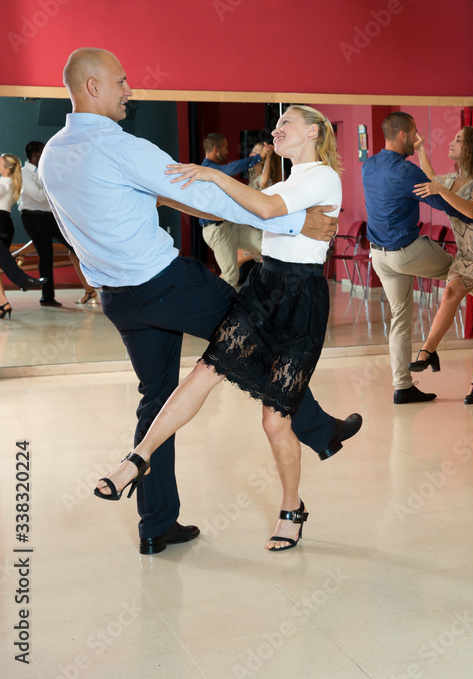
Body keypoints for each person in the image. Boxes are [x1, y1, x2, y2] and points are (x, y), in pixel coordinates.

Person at [40, 47, 355, 555]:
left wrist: (276, 214)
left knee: (159, 396)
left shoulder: (54, 152)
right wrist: (298, 222)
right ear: (93, 87)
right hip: (165, 283)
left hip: (118, 299)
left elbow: (162, 196)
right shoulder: (122, 147)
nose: (130, 90)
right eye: (122, 81)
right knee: (254, 336)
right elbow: (204, 196)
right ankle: (320, 429)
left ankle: (156, 524)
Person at [362, 111, 473, 404]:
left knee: (400, 319)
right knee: (465, 272)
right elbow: (443, 203)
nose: (418, 137)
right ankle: (444, 345)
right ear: (403, 135)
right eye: (415, 133)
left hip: (379, 257)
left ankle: (402, 387)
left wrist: (422, 156)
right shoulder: (406, 172)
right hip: (407, 253)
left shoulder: (368, 165)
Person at [407, 126, 473, 404]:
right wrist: (421, 150)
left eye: (458, 140)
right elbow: (432, 179)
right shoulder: (452, 178)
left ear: (472, 148)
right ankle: (428, 350)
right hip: (468, 254)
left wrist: (441, 189)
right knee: (451, 293)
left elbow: (471, 211)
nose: (451, 142)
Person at [20, 140, 98, 306]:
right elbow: (39, 196)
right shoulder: (23, 173)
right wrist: (56, 180)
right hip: (33, 217)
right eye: (43, 151)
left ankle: (91, 290)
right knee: (46, 256)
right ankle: (47, 298)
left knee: (76, 248)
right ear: (35, 155)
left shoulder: (47, 171)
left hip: (51, 216)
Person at [199, 132, 265, 288]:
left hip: (232, 226)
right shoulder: (208, 170)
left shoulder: (214, 170)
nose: (228, 152)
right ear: (216, 150)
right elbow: (230, 169)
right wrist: (258, 157)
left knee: (266, 245)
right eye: (225, 148)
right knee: (230, 275)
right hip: (217, 230)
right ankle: (220, 310)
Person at [0, 153, 45, 317]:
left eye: (0, 162)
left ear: (6, 169)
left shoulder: (5, 183)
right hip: (4, 224)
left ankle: (22, 279)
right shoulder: (8, 182)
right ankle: (3, 303)